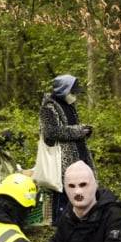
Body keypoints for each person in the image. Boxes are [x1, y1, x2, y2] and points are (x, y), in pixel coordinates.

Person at [39, 74, 94, 218]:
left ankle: (79, 218)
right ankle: (60, 221)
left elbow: (72, 126)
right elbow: (51, 132)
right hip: (62, 159)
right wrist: (77, 131)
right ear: (64, 90)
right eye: (72, 92)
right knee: (63, 191)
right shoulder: (49, 107)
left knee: (79, 188)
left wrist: (84, 131)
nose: (74, 95)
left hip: (78, 154)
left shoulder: (69, 105)